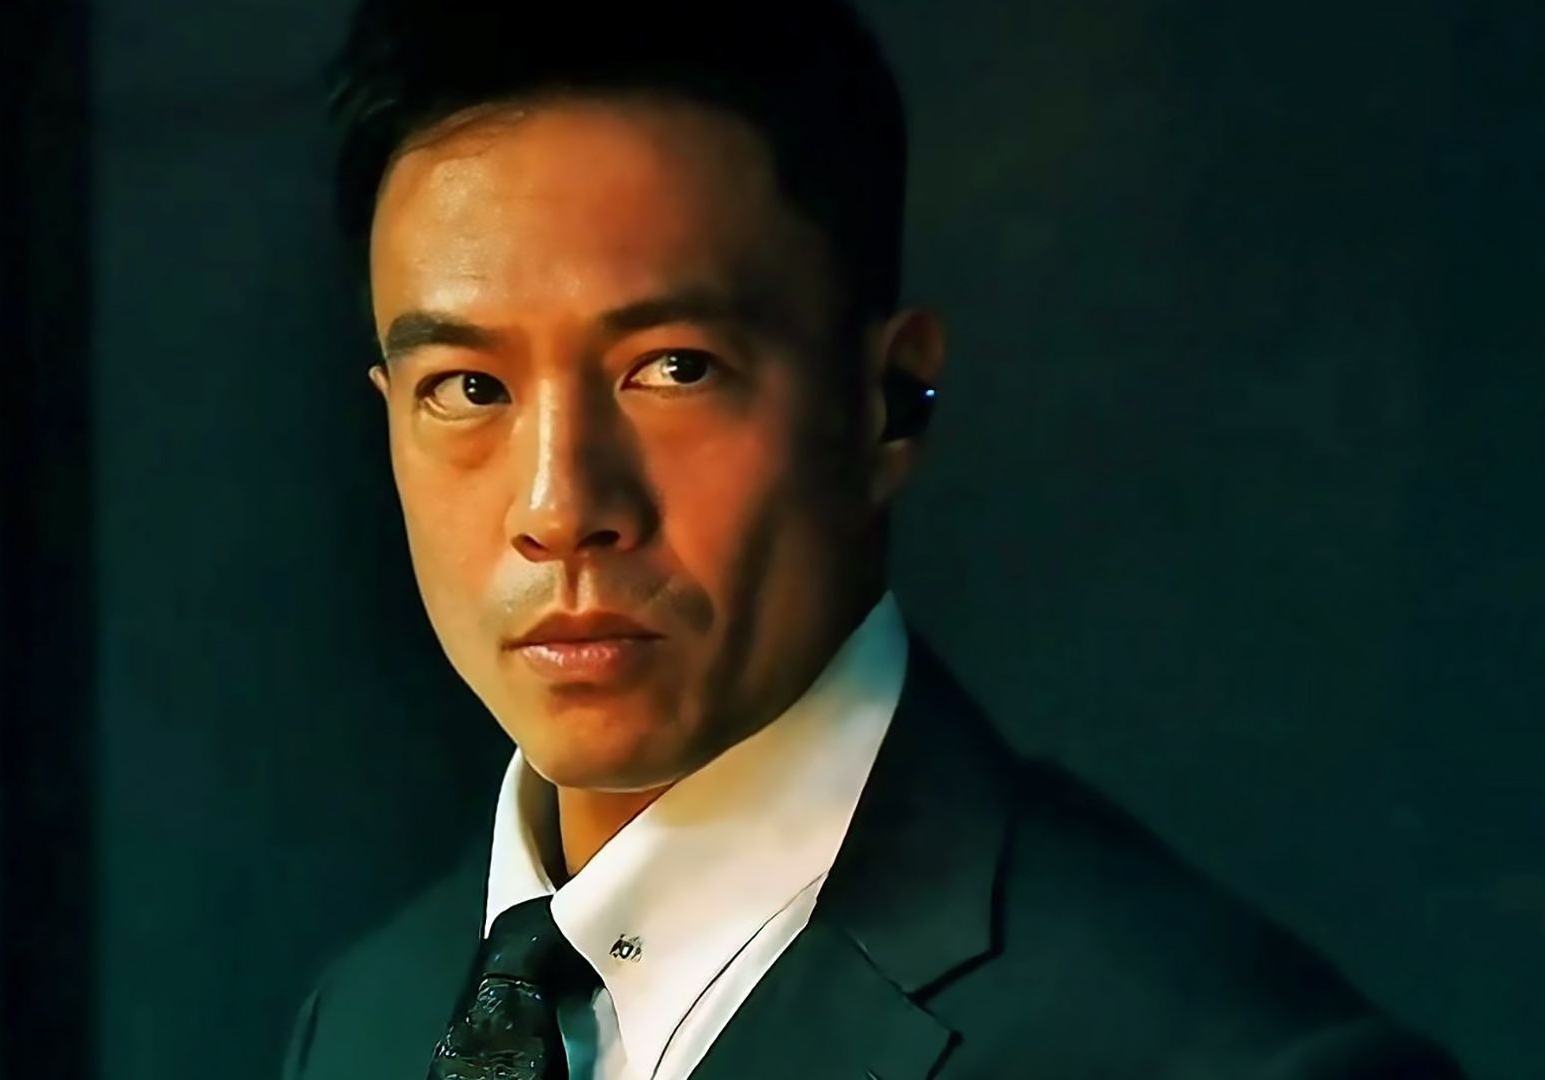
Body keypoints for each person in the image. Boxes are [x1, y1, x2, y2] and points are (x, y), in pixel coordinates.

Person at [283, 0, 1465, 1076]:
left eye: (673, 368)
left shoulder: (1232, 1058)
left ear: (889, 403)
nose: (557, 508)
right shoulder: (365, 1018)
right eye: (468, 389)